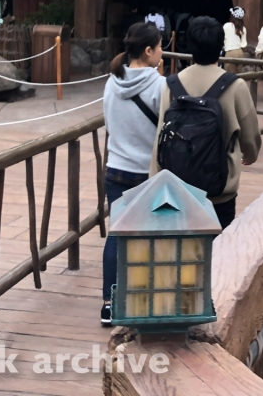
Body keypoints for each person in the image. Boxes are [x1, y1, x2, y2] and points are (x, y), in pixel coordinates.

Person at [151, 16, 261, 229]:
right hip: (219, 191)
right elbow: (250, 137)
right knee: (220, 245)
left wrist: (155, 177)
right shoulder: (236, 86)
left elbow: (161, 134)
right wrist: (249, 155)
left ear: (190, 46)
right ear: (221, 47)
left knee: (181, 247)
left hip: (177, 188)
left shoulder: (172, 84)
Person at [101, 22, 165, 327]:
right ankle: (144, 300)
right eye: (160, 47)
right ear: (149, 50)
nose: (162, 52)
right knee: (151, 236)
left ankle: (109, 303)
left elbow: (109, 123)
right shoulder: (160, 86)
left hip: (116, 169)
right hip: (147, 172)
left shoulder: (112, 81)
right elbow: (165, 127)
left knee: (117, 234)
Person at [222, 6, 248, 73]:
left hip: (230, 52)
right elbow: (244, 45)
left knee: (229, 74)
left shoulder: (227, 26)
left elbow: (222, 38)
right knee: (239, 74)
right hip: (240, 52)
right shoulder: (243, 28)